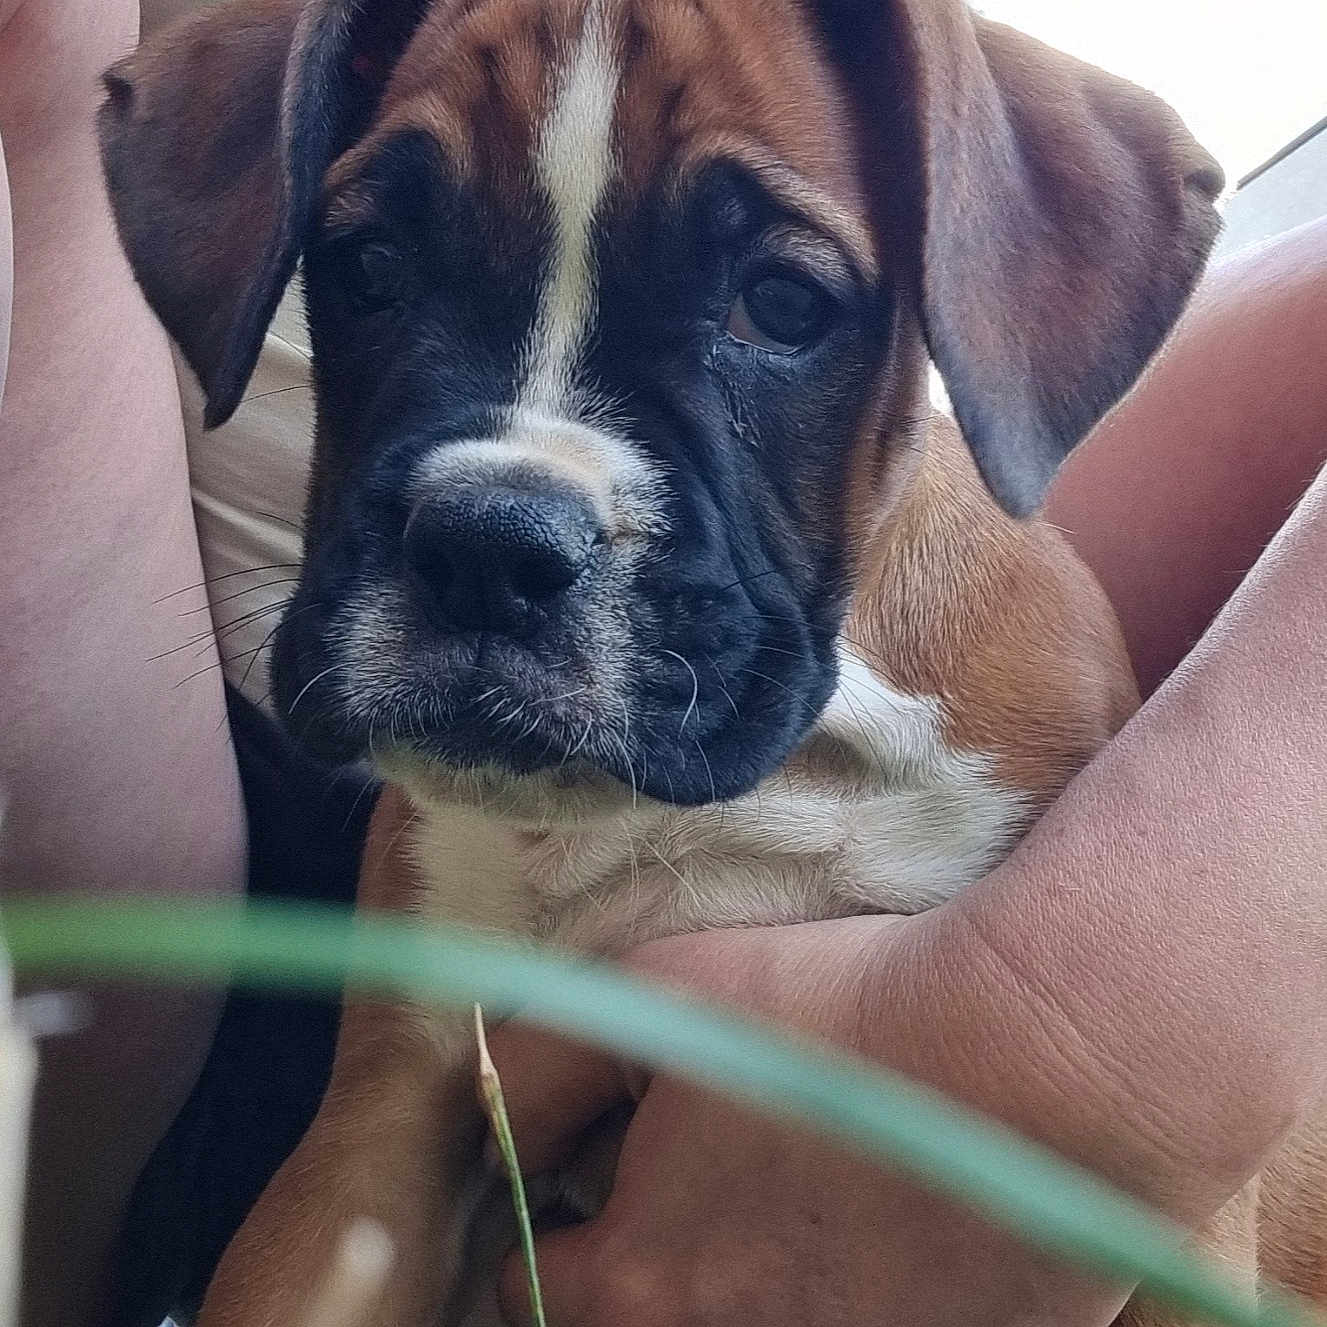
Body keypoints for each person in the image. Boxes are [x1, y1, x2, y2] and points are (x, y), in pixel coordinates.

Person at [1, 0, 1324, 1322]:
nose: (519, 484)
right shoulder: (467, 774)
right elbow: (379, 1172)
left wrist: (1081, 1046)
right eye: (375, 270)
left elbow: (1180, 1217)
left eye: (778, 298)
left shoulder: (1031, 709)